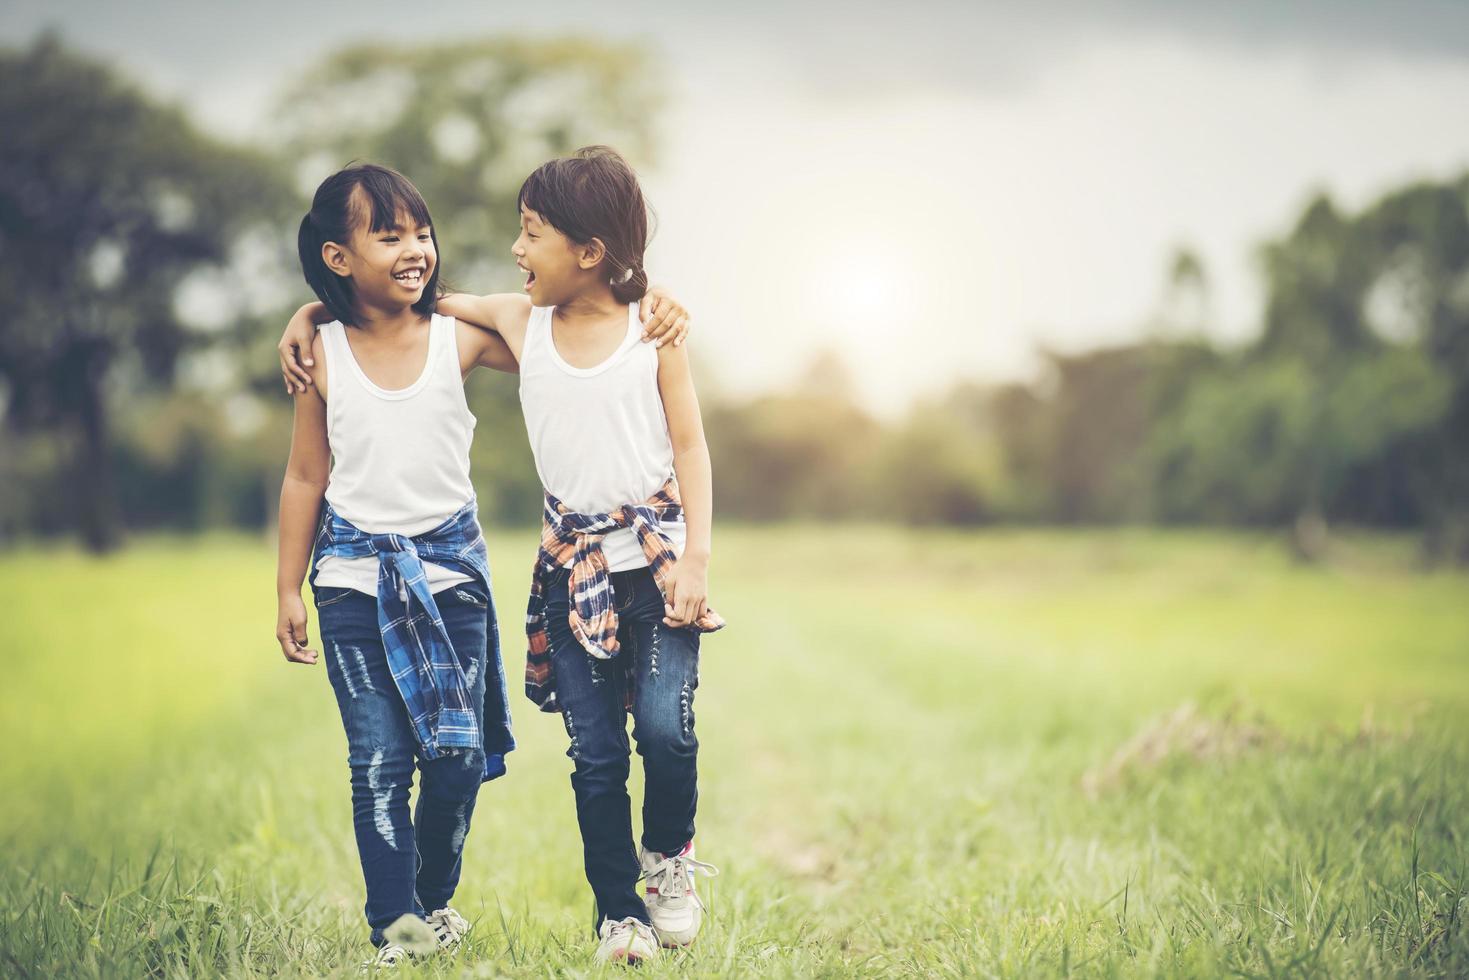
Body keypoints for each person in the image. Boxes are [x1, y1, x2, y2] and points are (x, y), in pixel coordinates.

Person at [273, 162, 690, 968]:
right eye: (388, 235)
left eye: (420, 233)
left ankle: (433, 903)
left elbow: (584, 329)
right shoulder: (318, 354)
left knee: (456, 760)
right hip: (352, 581)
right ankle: (398, 924)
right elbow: (304, 476)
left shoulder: (458, 337)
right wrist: (287, 586)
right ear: (337, 256)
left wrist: (659, 298)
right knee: (378, 762)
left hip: (451, 580)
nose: (416, 248)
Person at [435, 145, 724, 965]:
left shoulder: (653, 332)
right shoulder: (525, 325)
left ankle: (668, 861)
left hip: (658, 565)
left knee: (665, 732)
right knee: (594, 755)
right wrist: (307, 315)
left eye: (531, 234)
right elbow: (417, 301)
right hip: (570, 573)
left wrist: (697, 561)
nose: (517, 251)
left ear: (588, 251)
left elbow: (692, 448)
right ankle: (617, 914)